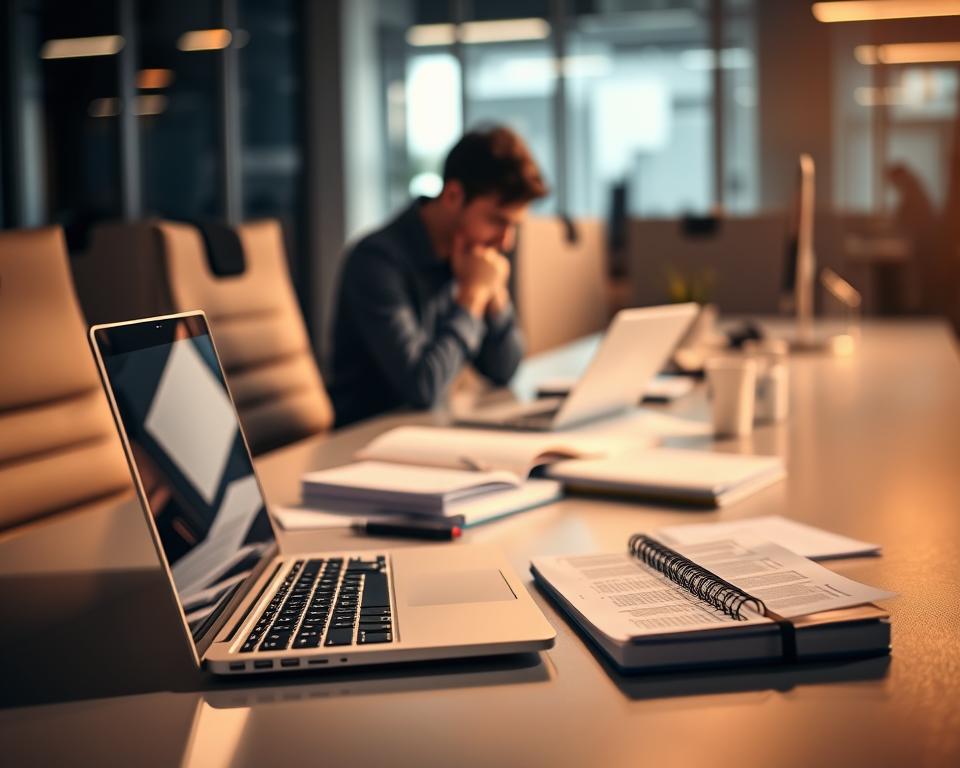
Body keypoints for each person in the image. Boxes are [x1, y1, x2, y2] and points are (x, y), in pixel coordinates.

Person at [330, 126, 548, 427]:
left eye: (514, 226)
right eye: (498, 221)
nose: (506, 242)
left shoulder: (469, 256)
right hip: (364, 442)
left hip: (427, 431)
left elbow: (504, 369)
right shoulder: (376, 261)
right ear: (453, 196)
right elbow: (422, 387)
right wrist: (472, 298)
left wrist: (494, 298)